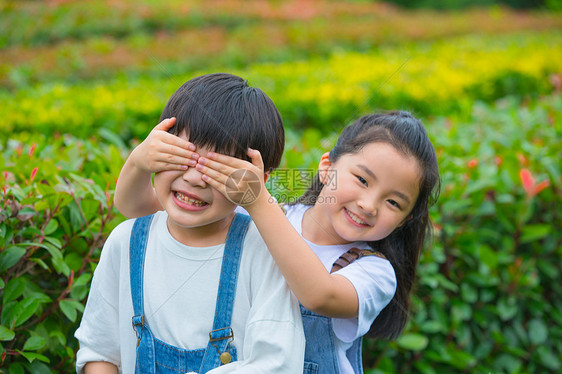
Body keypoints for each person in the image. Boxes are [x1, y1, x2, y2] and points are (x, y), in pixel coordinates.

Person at [116, 111, 440, 373]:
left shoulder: (374, 273)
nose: (369, 204)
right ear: (327, 168)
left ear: (406, 219)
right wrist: (139, 161)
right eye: (362, 179)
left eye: (394, 203)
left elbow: (319, 295)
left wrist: (258, 203)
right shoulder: (276, 216)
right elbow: (140, 210)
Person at [75, 73, 305, 374]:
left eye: (218, 169)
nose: (194, 178)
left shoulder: (263, 254)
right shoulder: (127, 242)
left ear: (254, 182)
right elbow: (100, 352)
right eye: (182, 156)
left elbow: (277, 363)